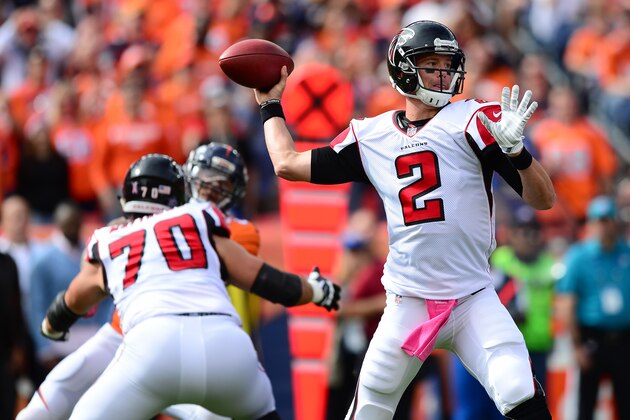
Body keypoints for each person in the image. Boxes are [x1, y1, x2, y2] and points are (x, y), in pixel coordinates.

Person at [251, 19, 556, 419]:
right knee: (371, 406)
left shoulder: (474, 119)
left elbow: (544, 199)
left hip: (473, 297)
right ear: (402, 69)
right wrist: (270, 105)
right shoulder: (372, 135)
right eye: (432, 65)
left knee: (518, 388)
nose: (444, 74)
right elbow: (287, 164)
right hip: (407, 299)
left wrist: (518, 155)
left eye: (448, 65)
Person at [38, 153, 341, 419]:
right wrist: (316, 290)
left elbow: (71, 302)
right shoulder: (200, 217)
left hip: (149, 343)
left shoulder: (109, 238)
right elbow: (266, 280)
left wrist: (52, 325)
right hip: (226, 343)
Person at [555, 195, 630, 420]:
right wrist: (576, 345)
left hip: (624, 339)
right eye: (599, 220)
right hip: (592, 338)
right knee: (587, 403)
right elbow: (566, 303)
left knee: (626, 402)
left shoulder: (625, 253)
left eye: (608, 220)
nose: (604, 226)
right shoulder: (578, 257)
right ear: (591, 224)